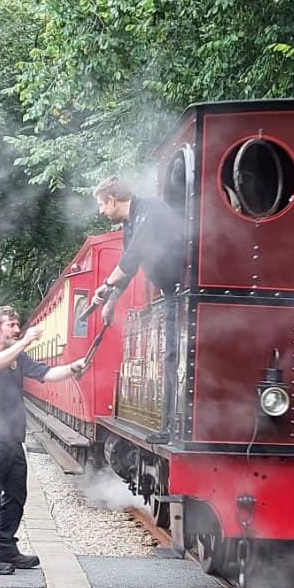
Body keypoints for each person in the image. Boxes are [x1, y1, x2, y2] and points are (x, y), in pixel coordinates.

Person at [0, 306, 88, 573]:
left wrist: (71, 368)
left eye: (18, 325)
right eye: (11, 324)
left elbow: (46, 374)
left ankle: (7, 548)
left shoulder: (18, 357)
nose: (17, 329)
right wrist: (25, 341)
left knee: (17, 495)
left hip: (12, 437)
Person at [89, 176, 189, 436]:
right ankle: (169, 425)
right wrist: (111, 303)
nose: (101, 210)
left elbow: (134, 258)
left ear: (111, 199)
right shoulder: (131, 223)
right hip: (172, 293)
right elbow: (127, 263)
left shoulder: (150, 210)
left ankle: (173, 427)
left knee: (173, 357)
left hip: (184, 292)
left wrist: (106, 285)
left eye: (101, 204)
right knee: (170, 356)